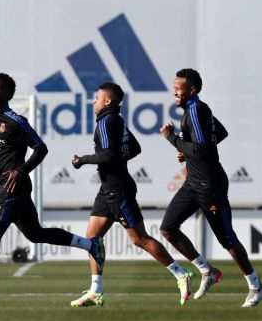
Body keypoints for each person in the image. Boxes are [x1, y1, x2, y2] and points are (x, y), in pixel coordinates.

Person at [0, 73, 105, 307]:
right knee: (35, 234)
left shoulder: (16, 121)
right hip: (7, 187)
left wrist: (20, 170)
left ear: (8, 94)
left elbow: (41, 148)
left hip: (13, 187)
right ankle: (89, 244)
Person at [70, 82, 192, 307]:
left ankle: (181, 274)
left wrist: (82, 160)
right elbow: (134, 148)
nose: (93, 101)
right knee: (92, 239)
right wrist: (115, 160)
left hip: (118, 191)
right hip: (107, 189)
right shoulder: (115, 119)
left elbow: (108, 155)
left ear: (107, 101)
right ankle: (96, 290)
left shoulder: (106, 121)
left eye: (97, 97)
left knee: (140, 239)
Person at [159, 68, 262, 308]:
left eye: (178, 88)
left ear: (191, 90)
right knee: (168, 228)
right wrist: (187, 151)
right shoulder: (193, 109)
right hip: (193, 183)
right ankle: (207, 270)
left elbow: (202, 150)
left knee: (227, 239)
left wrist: (172, 139)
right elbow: (218, 135)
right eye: (174, 87)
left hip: (210, 185)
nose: (174, 92)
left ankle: (256, 286)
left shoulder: (196, 110)